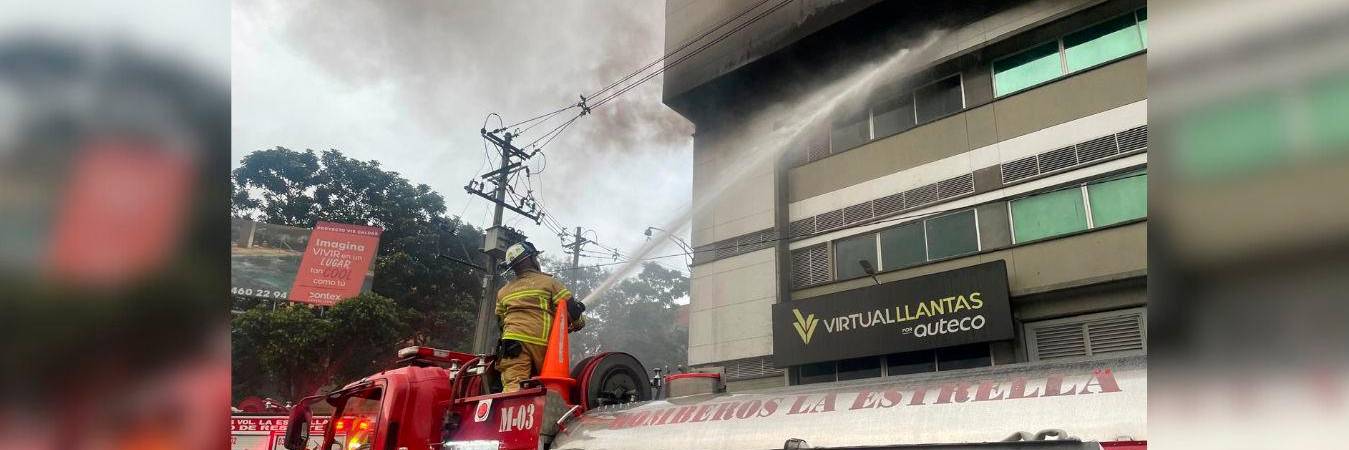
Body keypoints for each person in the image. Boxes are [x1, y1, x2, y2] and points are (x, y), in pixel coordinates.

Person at [495, 241, 586, 392]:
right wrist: (578, 323)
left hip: (512, 344)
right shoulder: (549, 283)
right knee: (547, 386)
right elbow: (572, 309)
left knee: (513, 386)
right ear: (531, 259)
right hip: (542, 343)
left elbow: (501, 321)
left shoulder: (503, 292)